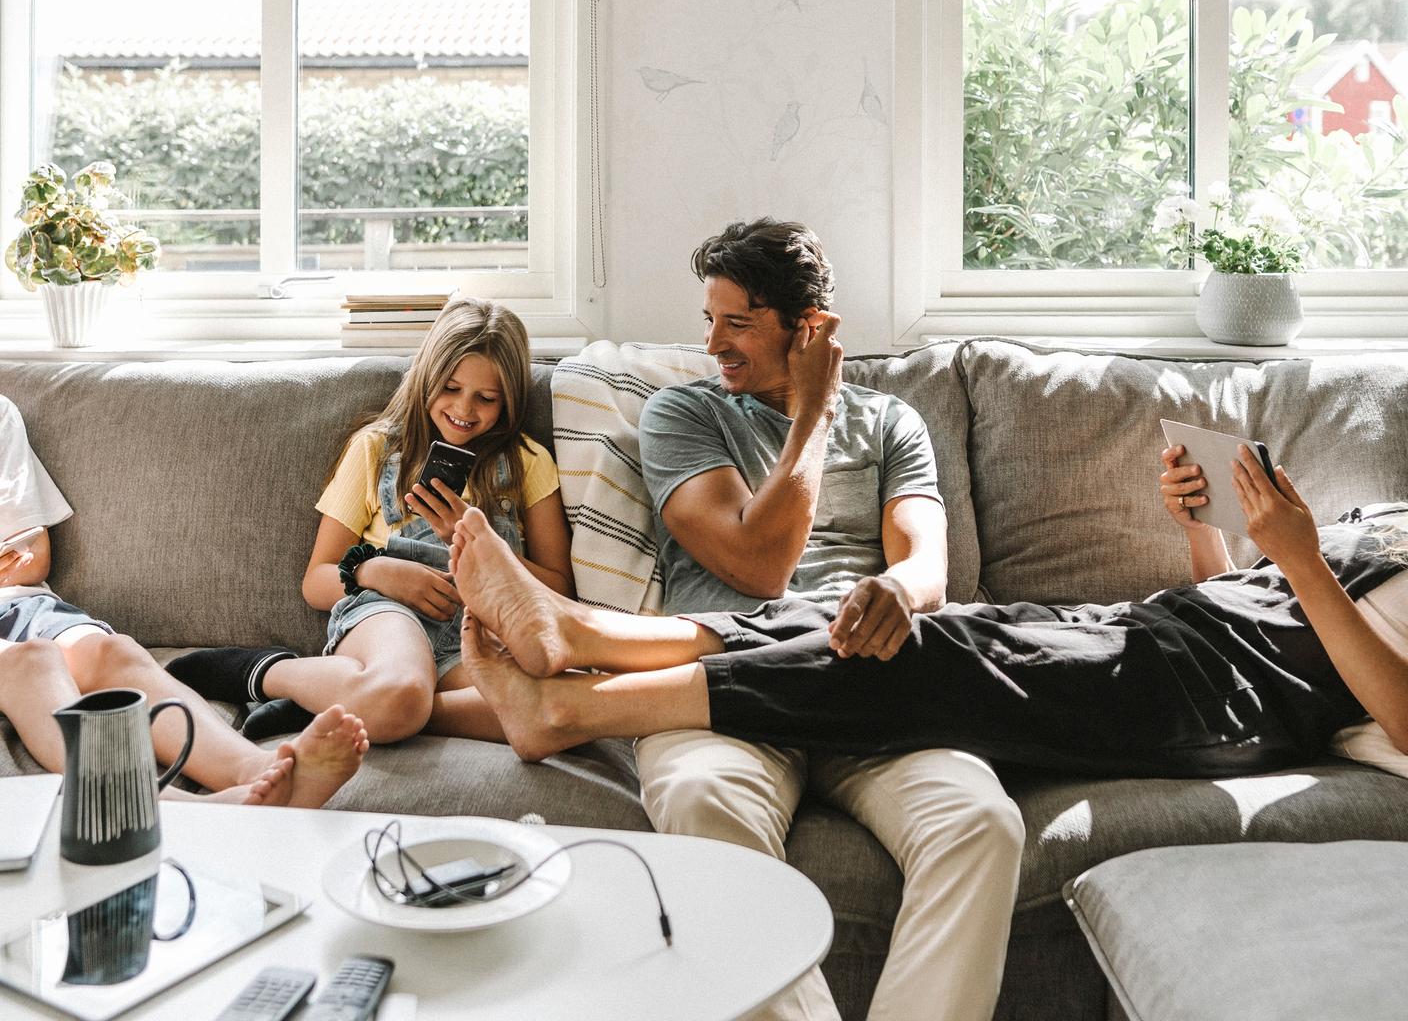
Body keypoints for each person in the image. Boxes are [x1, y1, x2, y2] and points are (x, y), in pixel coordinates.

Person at [553, 220, 1021, 1021]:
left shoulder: (892, 424)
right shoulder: (683, 414)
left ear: (809, 330)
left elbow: (925, 566)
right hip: (729, 685)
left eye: (737, 324)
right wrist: (811, 414)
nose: (713, 344)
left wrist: (898, 593)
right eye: (710, 320)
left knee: (982, 821)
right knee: (699, 797)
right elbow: (758, 566)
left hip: (862, 673)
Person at [444, 443, 1408, 785]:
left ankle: (566, 708)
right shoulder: (1395, 527)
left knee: (911, 649)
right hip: (1159, 630)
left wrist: (1299, 554)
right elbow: (1250, 604)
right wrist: (1206, 530)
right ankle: (579, 635)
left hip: (1205, 704)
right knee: (840, 614)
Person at [170, 296, 573, 745]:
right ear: (426, 379)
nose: (465, 408)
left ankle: (338, 699)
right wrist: (378, 570)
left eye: (487, 398)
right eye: (451, 388)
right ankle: (272, 673)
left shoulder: (528, 463)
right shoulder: (376, 449)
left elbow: (558, 589)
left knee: (555, 710)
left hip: (479, 629)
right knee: (400, 695)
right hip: (389, 611)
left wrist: (477, 545)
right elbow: (317, 580)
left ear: (509, 400)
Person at [0, 396, 368, 808]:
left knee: (113, 651)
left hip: (17, 602)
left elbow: (32, 557)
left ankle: (259, 772)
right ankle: (171, 807)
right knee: (32, 662)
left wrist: (20, 555)